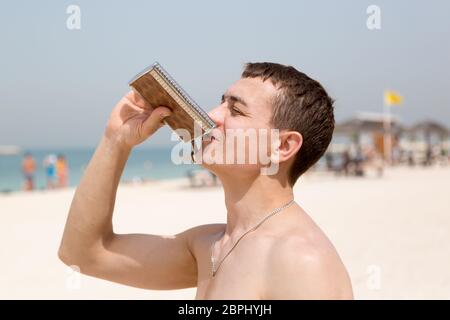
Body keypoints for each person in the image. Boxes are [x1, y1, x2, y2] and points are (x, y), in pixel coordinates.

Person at [59, 62, 353, 299]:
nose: (212, 116)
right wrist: (115, 140)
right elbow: (84, 254)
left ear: (283, 146)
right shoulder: (209, 245)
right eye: (221, 102)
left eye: (236, 110)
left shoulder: (301, 261)